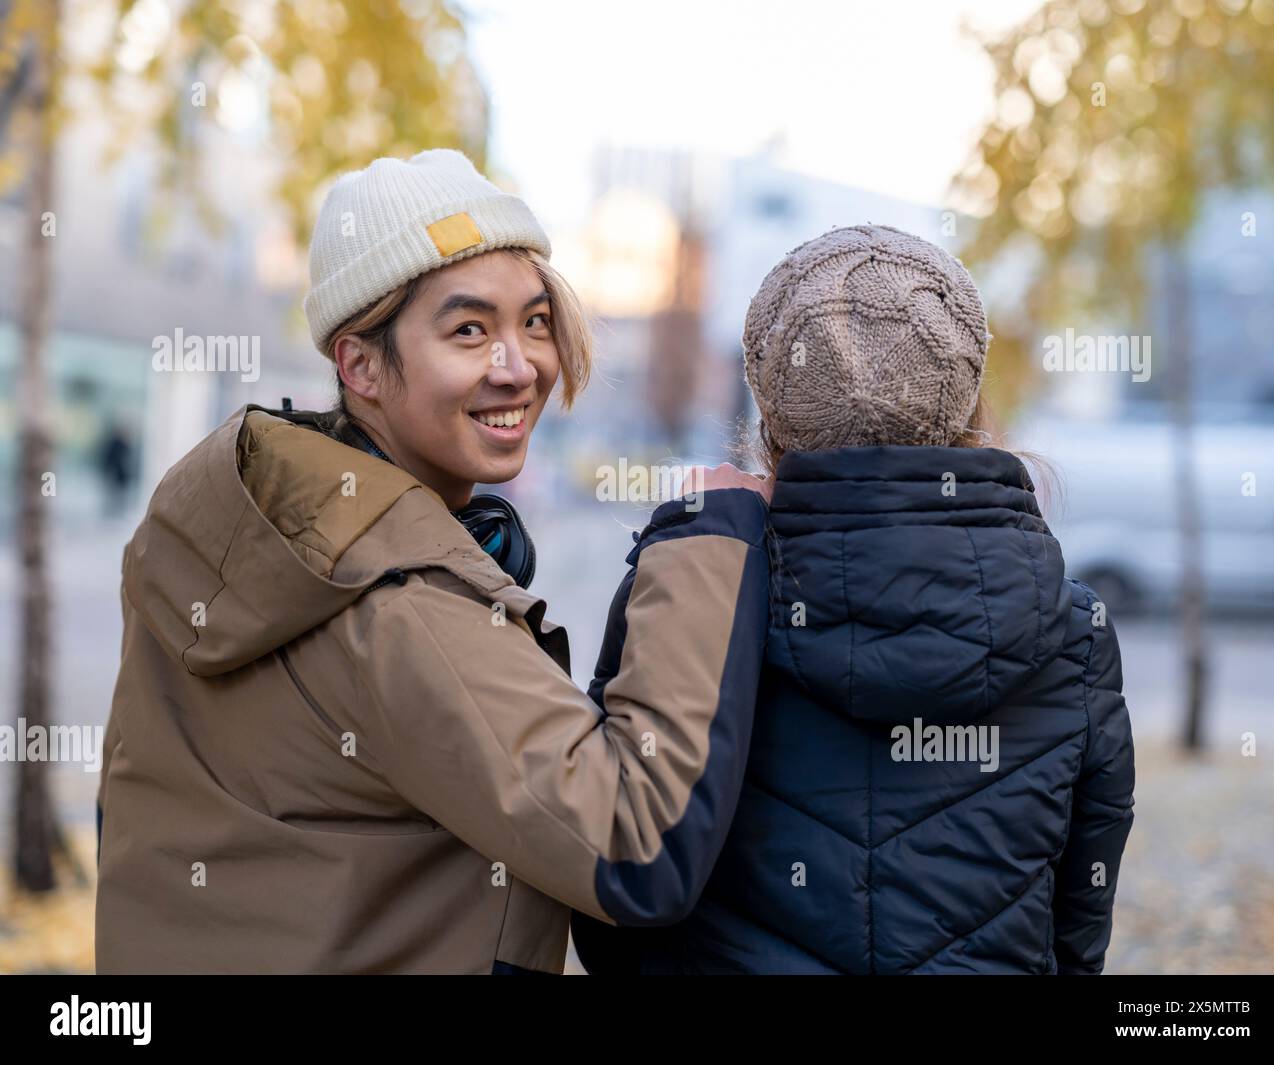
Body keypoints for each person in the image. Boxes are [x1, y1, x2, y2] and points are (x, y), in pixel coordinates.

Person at [95, 149, 771, 974]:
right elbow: (635, 840)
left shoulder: (251, 528)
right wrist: (707, 539)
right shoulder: (396, 600)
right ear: (361, 364)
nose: (519, 366)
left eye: (534, 320)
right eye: (468, 330)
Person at [573, 224, 1137, 974]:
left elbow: (612, 906)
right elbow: (1079, 926)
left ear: (771, 413)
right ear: (965, 394)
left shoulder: (693, 589)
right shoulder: (1075, 630)